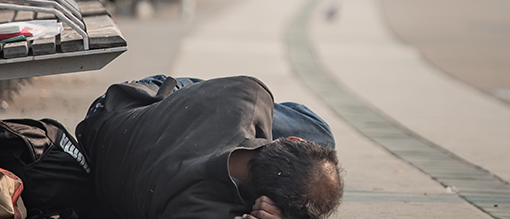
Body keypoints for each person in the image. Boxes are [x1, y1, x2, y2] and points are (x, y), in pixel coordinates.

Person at [76, 75, 344, 219]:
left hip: (118, 108)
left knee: (320, 135)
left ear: (293, 140)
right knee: (320, 142)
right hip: (110, 146)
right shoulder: (202, 208)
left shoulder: (250, 95)